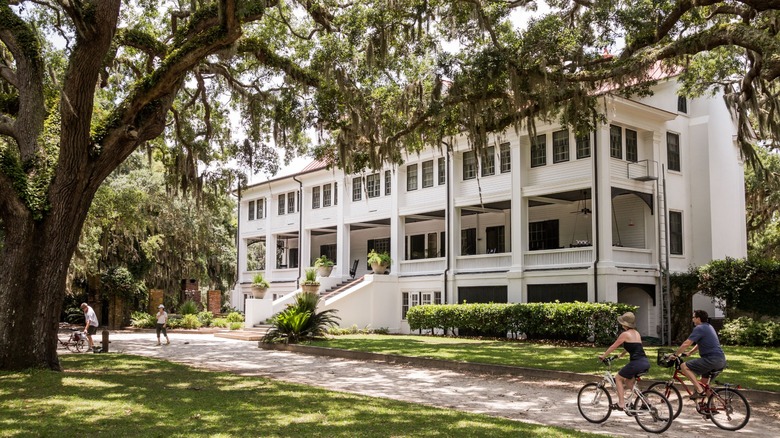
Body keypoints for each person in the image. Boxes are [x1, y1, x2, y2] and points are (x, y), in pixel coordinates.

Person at [598, 311, 649, 411]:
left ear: (624, 324)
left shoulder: (625, 334)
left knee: (618, 378)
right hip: (644, 362)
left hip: (636, 363)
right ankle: (646, 402)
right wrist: (622, 354)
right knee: (628, 382)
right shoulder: (637, 333)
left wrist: (603, 356)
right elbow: (634, 346)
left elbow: (613, 346)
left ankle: (621, 404)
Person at [671, 309, 726, 399]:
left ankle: (699, 391)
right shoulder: (709, 327)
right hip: (721, 360)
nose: (692, 319)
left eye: (693, 317)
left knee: (684, 366)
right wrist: (690, 352)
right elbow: (699, 343)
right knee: (704, 384)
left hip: (711, 360)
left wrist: (675, 355)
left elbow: (686, 343)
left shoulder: (699, 328)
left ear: (698, 319)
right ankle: (711, 405)